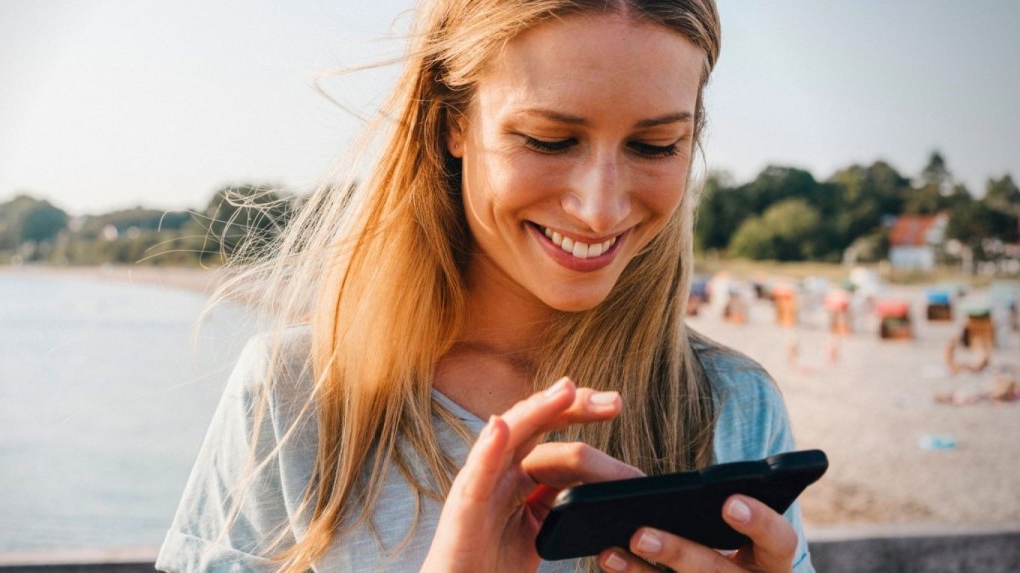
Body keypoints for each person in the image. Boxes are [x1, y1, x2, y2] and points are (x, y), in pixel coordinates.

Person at [157, 0, 815, 571]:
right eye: (549, 139)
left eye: (656, 145)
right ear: (451, 120)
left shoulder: (731, 403)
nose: (601, 208)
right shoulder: (296, 395)